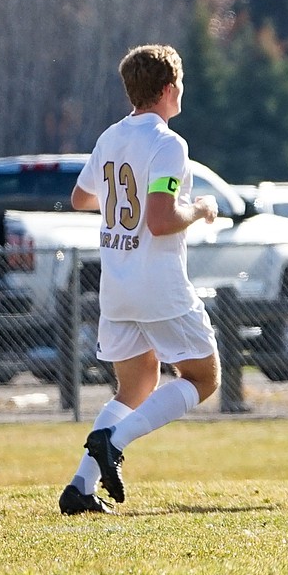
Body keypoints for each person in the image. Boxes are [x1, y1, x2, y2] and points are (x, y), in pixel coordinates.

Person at [58, 44, 221, 515]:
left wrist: (116, 205)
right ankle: (115, 440)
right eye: (182, 84)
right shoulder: (169, 143)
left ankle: (80, 488)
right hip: (157, 284)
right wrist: (201, 208)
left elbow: (80, 197)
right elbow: (161, 220)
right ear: (169, 90)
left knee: (137, 384)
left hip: (118, 284)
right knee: (204, 377)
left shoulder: (112, 136)